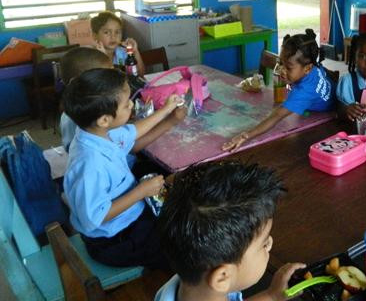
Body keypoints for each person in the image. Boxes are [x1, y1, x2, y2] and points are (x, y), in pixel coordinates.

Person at [62, 68, 183, 269]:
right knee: (179, 247)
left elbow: (135, 131)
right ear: (104, 119)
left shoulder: (98, 133)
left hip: (128, 219)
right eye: (127, 104)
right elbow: (95, 217)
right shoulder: (90, 164)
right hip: (115, 241)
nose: (132, 105)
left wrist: (169, 114)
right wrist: (141, 192)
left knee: (174, 219)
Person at [155, 160, 305, 301]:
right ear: (222, 277)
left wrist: (271, 296)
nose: (270, 243)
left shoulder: (188, 285)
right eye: (263, 245)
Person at [58, 47, 185, 169]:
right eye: (106, 76)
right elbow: (131, 145)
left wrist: (168, 114)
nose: (131, 104)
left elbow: (131, 132)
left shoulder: (91, 121)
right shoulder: (91, 160)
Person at [223, 29, 334, 152]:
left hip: (326, 122)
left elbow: (276, 116)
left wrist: (246, 135)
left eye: (288, 67)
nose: (281, 70)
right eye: (281, 63)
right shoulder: (312, 66)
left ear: (307, 68)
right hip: (319, 104)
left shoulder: (303, 92)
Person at [91, 11, 146, 75]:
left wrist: (135, 52)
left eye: (117, 32)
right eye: (106, 32)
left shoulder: (123, 52)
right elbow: (105, 79)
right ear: (95, 36)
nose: (113, 36)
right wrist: (103, 57)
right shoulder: (92, 57)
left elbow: (141, 73)